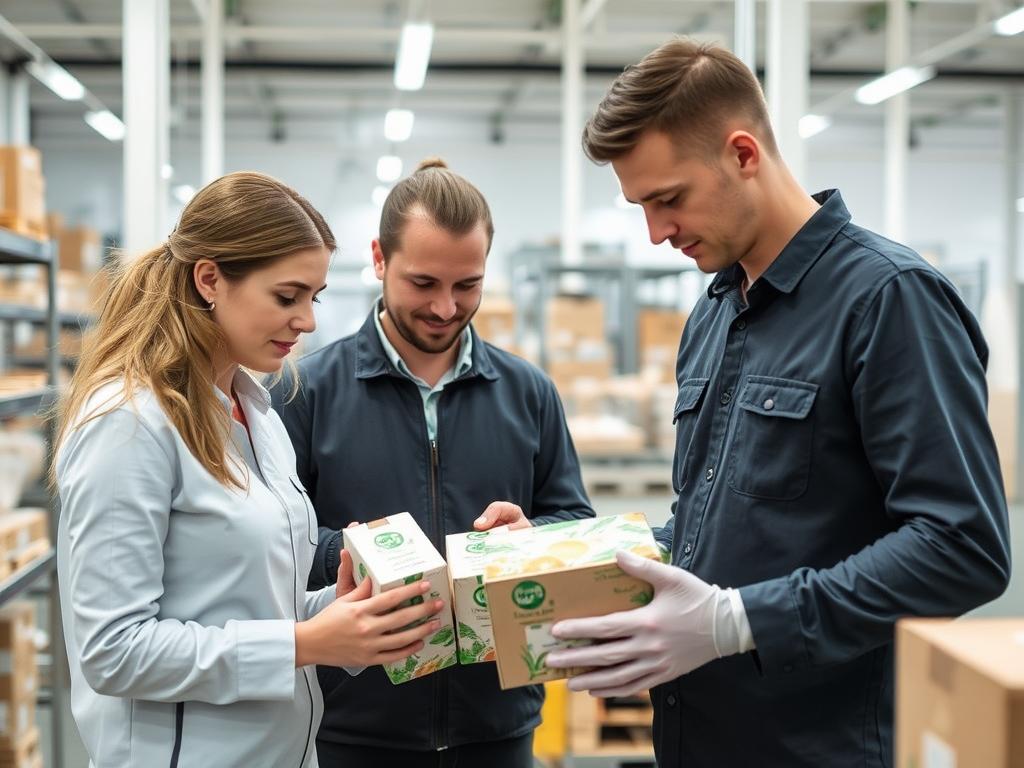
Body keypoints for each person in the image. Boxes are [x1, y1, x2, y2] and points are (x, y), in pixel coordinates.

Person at [544, 39, 1012, 767]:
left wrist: (738, 621)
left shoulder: (888, 300)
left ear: (742, 153)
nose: (656, 232)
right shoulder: (715, 312)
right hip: (697, 738)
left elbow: (962, 546)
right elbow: (711, 521)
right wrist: (555, 554)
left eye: (668, 198)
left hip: (818, 745)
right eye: (640, 206)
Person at [54, 171, 444, 768]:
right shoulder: (130, 423)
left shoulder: (257, 412)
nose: (308, 320)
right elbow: (111, 652)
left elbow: (245, 607)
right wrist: (305, 641)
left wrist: (337, 615)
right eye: (287, 297)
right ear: (209, 279)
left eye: (313, 297)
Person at [270, 157, 595, 768]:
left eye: (467, 284)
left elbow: (573, 519)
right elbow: (273, 542)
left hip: (497, 728)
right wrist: (365, 553)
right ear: (379, 259)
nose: (446, 308)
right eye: (424, 283)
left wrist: (530, 541)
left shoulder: (528, 392)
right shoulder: (305, 392)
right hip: (353, 729)